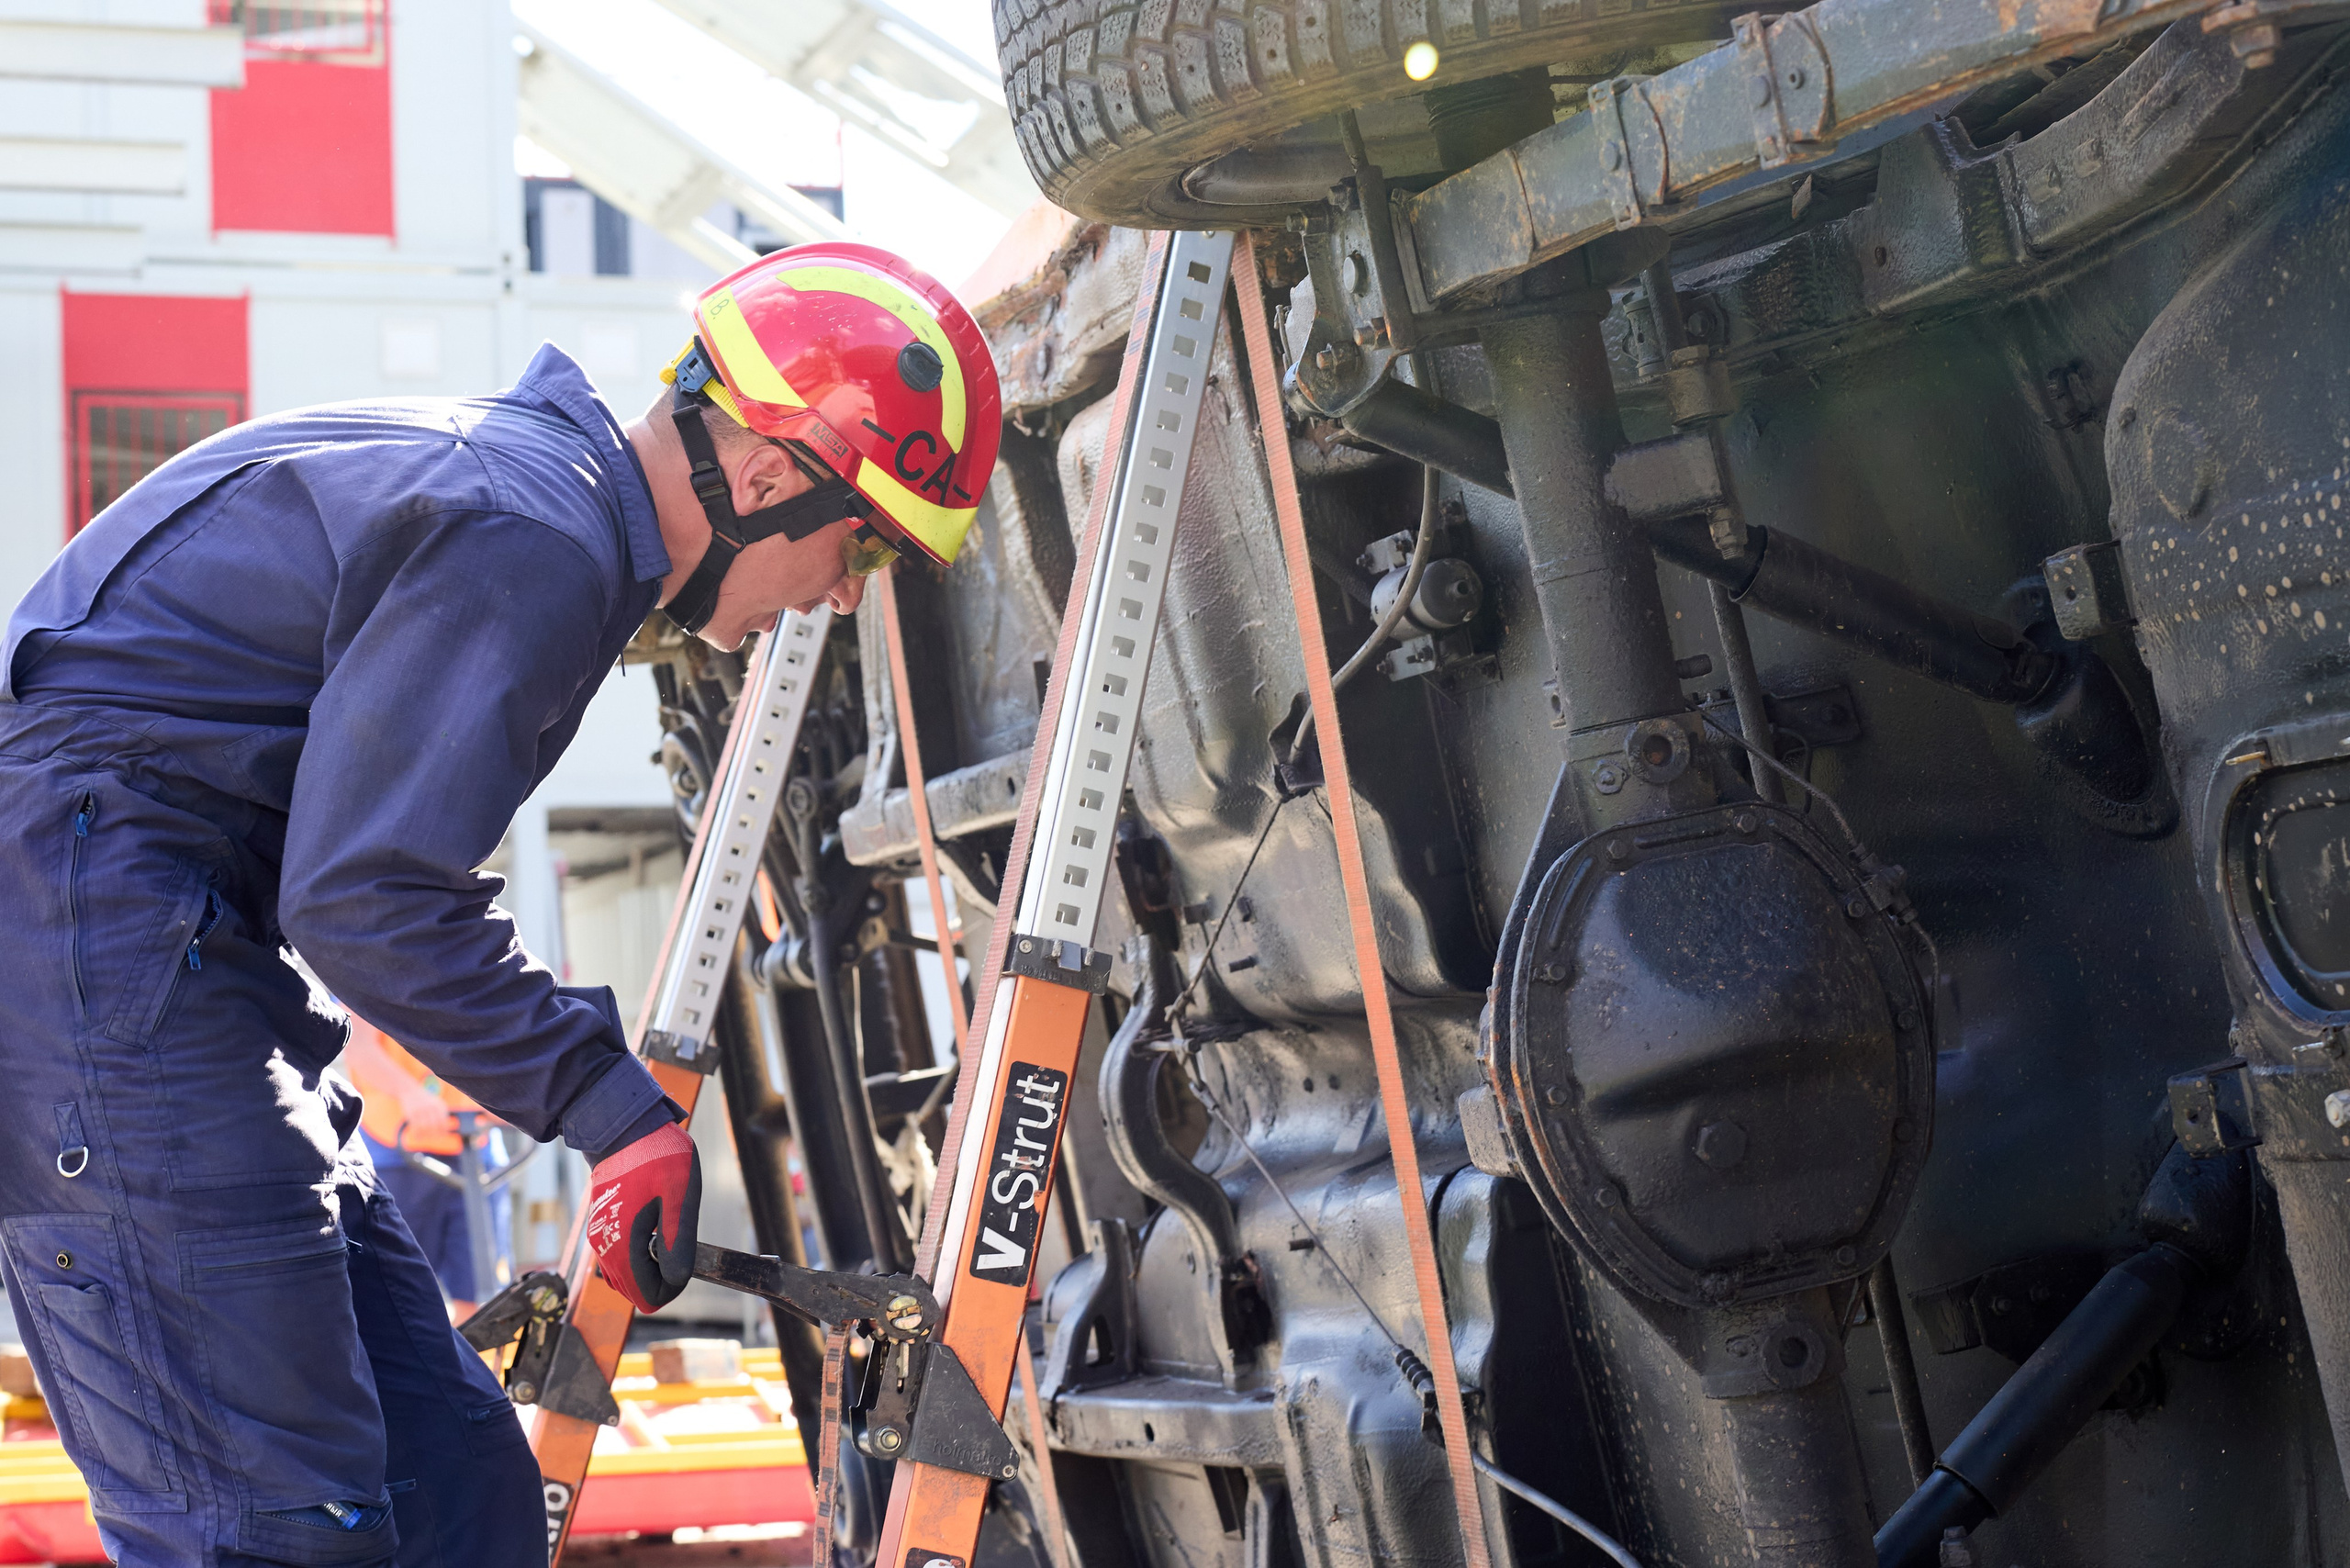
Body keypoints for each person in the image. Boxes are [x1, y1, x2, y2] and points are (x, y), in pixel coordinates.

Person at [0, 242, 1000, 1567]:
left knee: (460, 1500)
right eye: (855, 542)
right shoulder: (535, 534)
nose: (841, 591)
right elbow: (371, 889)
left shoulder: (539, 501)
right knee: (271, 1533)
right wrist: (611, 1110)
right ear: (768, 477)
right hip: (96, 948)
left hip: (156, 942)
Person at [344, 1016, 510, 1317]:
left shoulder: (480, 971)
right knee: (393, 1294)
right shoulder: (373, 969)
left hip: (477, 1147)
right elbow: (358, 1044)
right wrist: (409, 1092)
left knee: (483, 1298)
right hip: (397, 1150)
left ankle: (475, 1361)